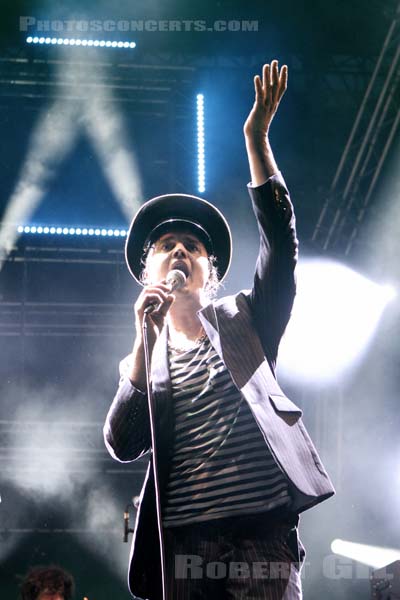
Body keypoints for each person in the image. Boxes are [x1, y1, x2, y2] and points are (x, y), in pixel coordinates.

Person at [104, 60, 335, 600]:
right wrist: (144, 340)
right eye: (166, 246)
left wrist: (256, 141)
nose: (181, 250)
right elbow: (122, 442)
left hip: (263, 539)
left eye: (194, 246)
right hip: (186, 548)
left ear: (212, 273)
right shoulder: (145, 357)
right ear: (147, 273)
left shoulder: (246, 319)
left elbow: (281, 246)